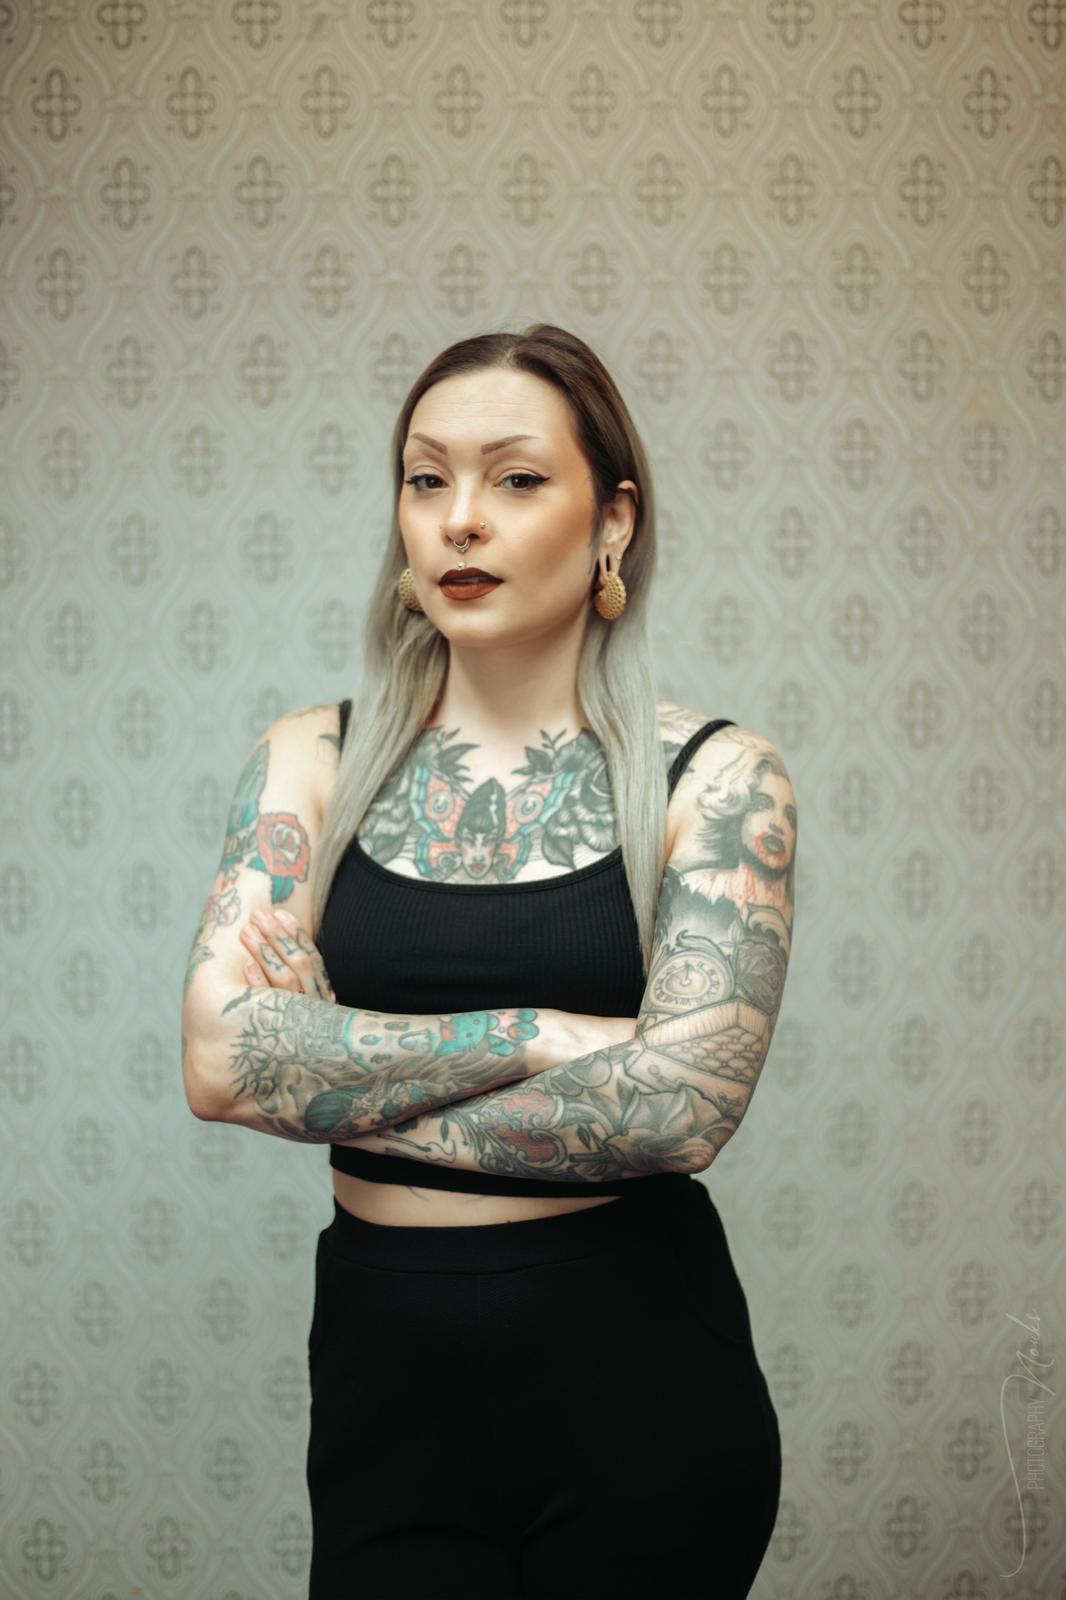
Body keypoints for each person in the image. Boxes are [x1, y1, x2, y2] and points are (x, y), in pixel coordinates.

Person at [181, 324, 796, 1598]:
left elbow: (682, 1109)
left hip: (644, 1390)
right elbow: (222, 1063)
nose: (459, 517)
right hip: (383, 1394)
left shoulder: (719, 778)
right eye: (426, 478)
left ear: (612, 520)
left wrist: (335, 1074)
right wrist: (539, 1035)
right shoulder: (307, 760)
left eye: (515, 478)